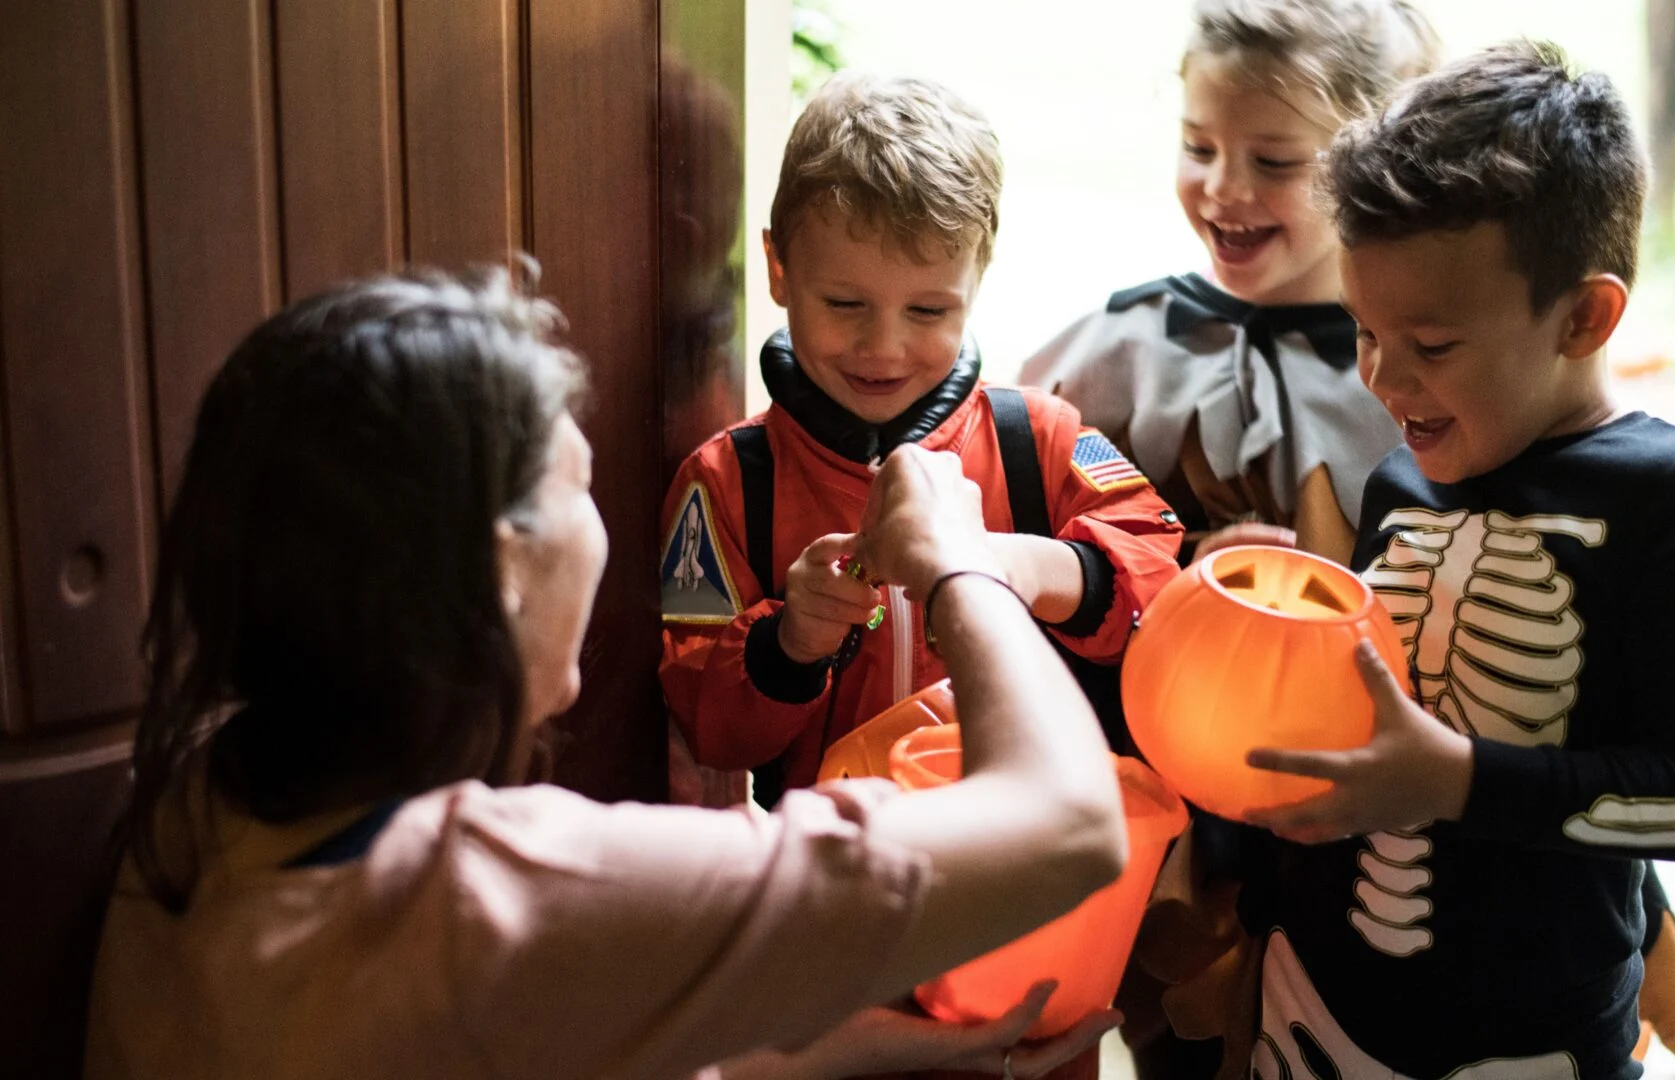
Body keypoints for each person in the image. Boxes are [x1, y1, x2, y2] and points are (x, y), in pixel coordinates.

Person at [84, 267, 1131, 1080]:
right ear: (501, 567)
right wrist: (961, 559)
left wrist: (930, 1043)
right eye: (580, 483)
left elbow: (602, 1019)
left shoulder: (199, 800)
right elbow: (1072, 824)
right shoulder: (500, 902)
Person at [1222, 42, 1675, 1079]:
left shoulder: (1674, 503)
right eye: (1362, 331)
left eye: (1431, 346)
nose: (1383, 379)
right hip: (1314, 1013)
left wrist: (1458, 779)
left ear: (1583, 316)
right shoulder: (1399, 483)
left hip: (1532, 1044)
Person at [660, 72, 1183, 805]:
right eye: (845, 303)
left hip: (1019, 853)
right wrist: (791, 643)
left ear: (978, 279)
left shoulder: (1039, 438)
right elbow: (706, 725)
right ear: (778, 267)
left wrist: (1001, 566)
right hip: (844, 869)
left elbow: (1160, 588)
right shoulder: (726, 483)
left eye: (929, 310)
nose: (884, 347)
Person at [1021, 0, 1435, 569]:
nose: (1222, 187)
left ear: (1376, 160)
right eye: (1198, 148)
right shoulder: (1115, 347)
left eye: (1273, 161)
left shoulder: (1418, 373)